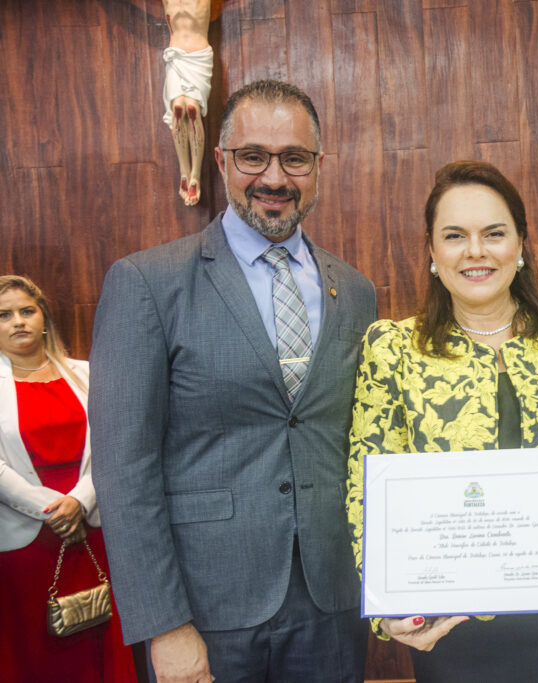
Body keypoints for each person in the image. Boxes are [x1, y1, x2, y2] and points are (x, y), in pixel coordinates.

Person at [90, 79, 376, 682]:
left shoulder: (355, 292)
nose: (274, 178)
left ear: (318, 167)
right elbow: (124, 471)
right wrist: (162, 625)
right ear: (220, 162)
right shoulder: (148, 283)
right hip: (205, 611)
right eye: (253, 156)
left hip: (332, 603)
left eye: (294, 158)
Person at [347, 160, 538, 682]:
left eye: (493, 233)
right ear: (432, 252)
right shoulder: (392, 349)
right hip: (449, 617)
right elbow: (367, 487)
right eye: (455, 236)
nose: (475, 251)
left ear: (520, 244)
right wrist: (385, 605)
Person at [0, 275, 135, 682]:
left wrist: (79, 501)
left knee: (101, 646)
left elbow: (115, 444)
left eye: (27, 310)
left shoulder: (88, 374)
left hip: (92, 529)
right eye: (4, 315)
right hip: (25, 542)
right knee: (33, 655)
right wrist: (51, 509)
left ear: (44, 317)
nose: (18, 321)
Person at [162, 0, 217, 206]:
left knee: (192, 110)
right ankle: (184, 172)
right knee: (178, 110)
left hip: (198, 57)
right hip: (176, 58)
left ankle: (196, 175)